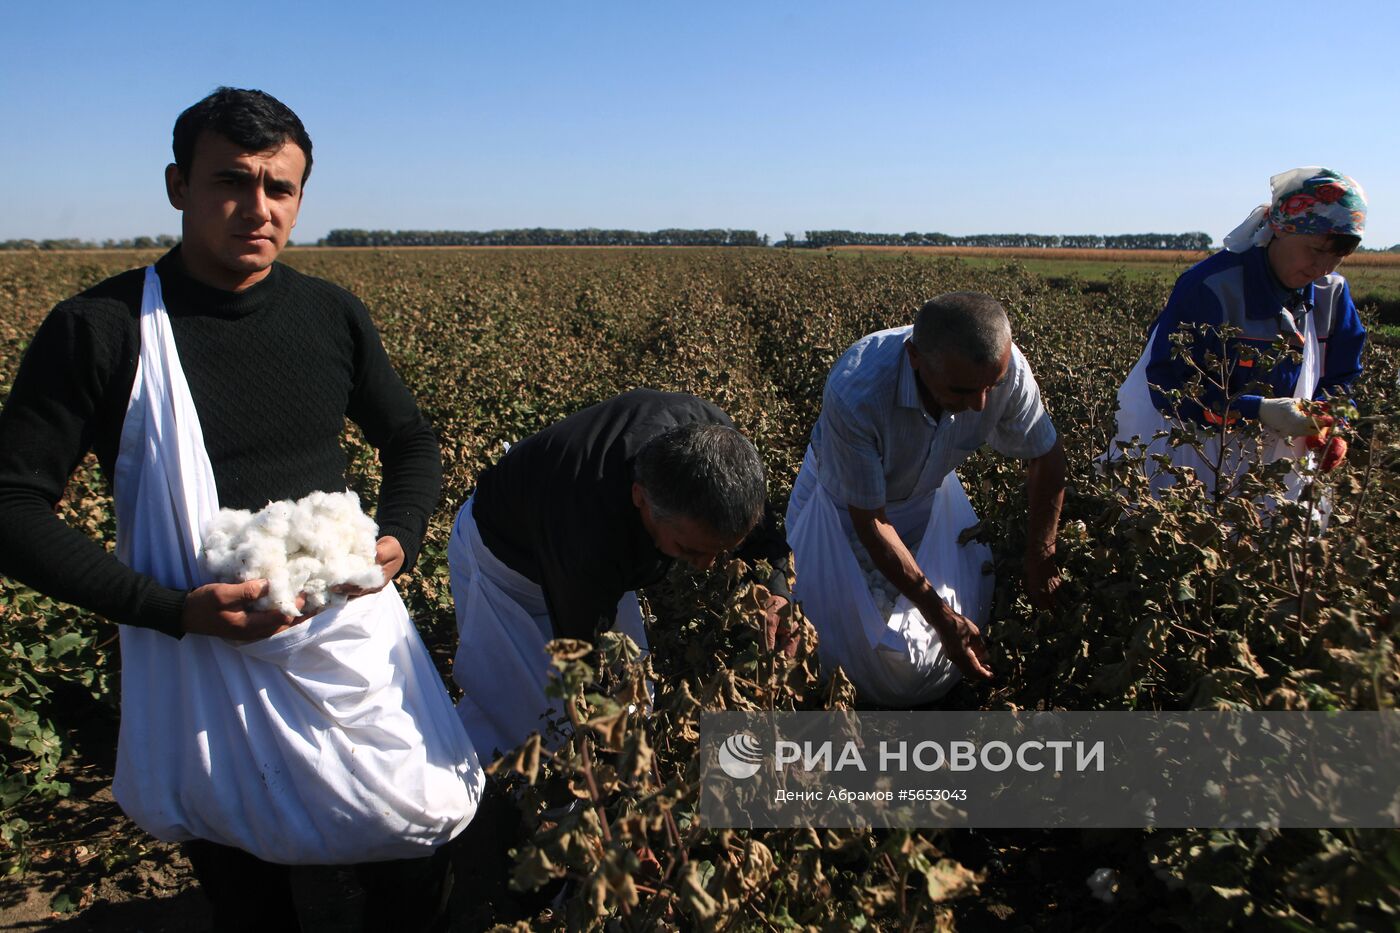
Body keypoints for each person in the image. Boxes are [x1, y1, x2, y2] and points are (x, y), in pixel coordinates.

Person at [0, 87, 480, 931]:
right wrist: (172, 610)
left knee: (413, 848)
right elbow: (9, 505)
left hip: (347, 636)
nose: (257, 208)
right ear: (177, 184)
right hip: (201, 651)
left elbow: (409, 438)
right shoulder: (100, 331)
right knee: (248, 883)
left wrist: (398, 536)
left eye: (279, 188)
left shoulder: (330, 315)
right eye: (231, 180)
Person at [449, 387, 793, 760]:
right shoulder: (588, 531)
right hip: (505, 568)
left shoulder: (718, 452)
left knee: (632, 703)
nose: (706, 565)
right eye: (690, 550)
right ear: (640, 498)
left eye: (719, 551)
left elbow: (761, 536)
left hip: (569, 538)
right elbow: (582, 660)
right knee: (536, 725)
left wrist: (775, 591)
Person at [786, 292, 1066, 707]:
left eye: (991, 385)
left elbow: (1047, 455)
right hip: (840, 505)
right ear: (915, 356)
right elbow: (871, 522)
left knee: (907, 632)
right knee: (819, 622)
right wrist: (942, 617)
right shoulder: (858, 391)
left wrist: (1041, 554)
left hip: (925, 495)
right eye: (963, 390)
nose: (980, 404)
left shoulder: (1006, 371)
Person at [1104, 167, 1367, 499]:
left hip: (1276, 469)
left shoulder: (1332, 295)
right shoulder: (1211, 287)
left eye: (1338, 256)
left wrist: (1334, 426)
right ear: (1281, 229)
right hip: (1192, 456)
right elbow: (1169, 385)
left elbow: (1340, 380)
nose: (1323, 267)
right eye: (1316, 250)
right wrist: (1257, 409)